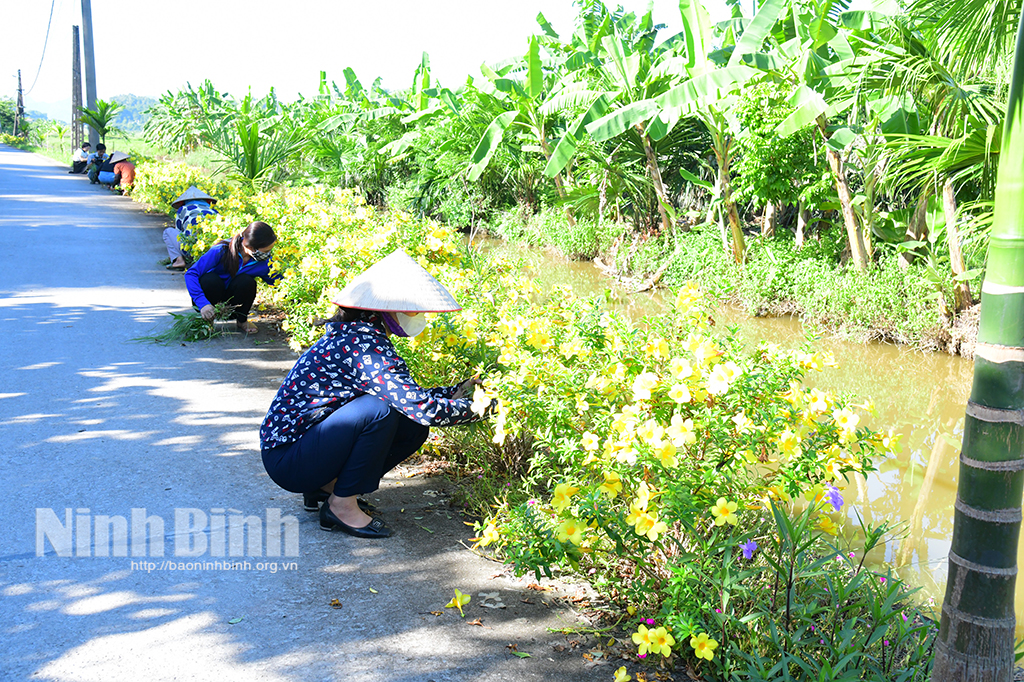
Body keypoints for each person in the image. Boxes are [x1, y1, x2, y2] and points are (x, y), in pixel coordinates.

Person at [259, 249, 484, 539]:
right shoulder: (363, 344)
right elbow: (419, 407)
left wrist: (458, 392)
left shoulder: (357, 332)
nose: (417, 315)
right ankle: (341, 505)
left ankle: (327, 486)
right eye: (412, 309)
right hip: (288, 460)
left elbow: (409, 398)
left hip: (298, 449)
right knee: (381, 411)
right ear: (386, 310)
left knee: (408, 422)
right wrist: (481, 408)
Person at [184, 221, 279, 333]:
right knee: (210, 279)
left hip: (233, 305)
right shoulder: (221, 251)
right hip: (210, 301)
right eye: (266, 251)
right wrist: (203, 303)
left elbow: (278, 282)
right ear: (249, 246)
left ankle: (241, 320)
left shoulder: (264, 262)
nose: (268, 254)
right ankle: (207, 320)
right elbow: (191, 274)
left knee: (247, 282)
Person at [164, 186, 219, 271]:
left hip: (192, 251)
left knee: (168, 232)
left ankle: (179, 261)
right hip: (213, 251)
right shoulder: (214, 212)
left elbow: (179, 233)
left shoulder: (183, 209)